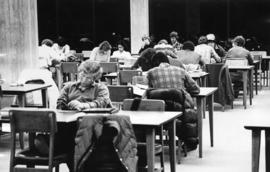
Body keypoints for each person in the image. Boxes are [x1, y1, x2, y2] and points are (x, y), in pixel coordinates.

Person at [34, 61, 112, 171]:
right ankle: (69, 158)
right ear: (79, 73)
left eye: (89, 78)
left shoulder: (100, 88)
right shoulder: (68, 87)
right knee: (71, 139)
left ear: (95, 79)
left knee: (73, 141)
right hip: (69, 125)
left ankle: (51, 145)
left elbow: (102, 102)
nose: (84, 79)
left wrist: (84, 105)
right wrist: (69, 105)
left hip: (90, 128)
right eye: (82, 75)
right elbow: (60, 104)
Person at [146, 53, 200, 151]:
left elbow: (150, 91)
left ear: (154, 64)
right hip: (182, 114)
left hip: (160, 114)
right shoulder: (181, 71)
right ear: (168, 62)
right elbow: (196, 90)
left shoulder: (151, 73)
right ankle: (189, 142)